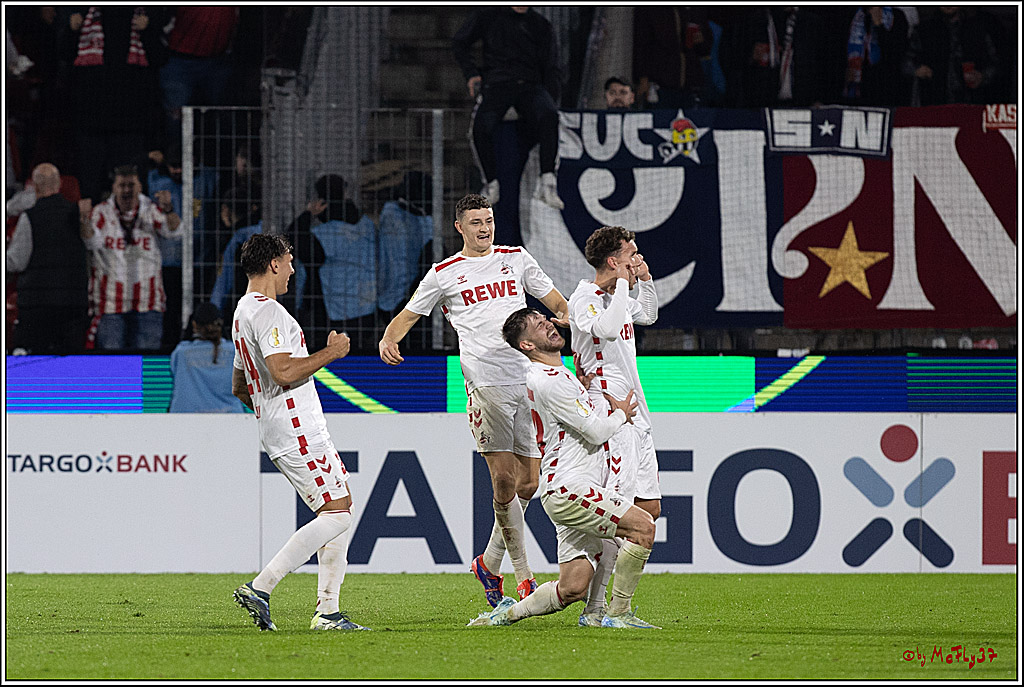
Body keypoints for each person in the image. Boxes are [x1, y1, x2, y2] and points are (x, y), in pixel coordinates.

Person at [379, 193, 569, 607]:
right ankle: (523, 577)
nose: (485, 228)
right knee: (503, 480)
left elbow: (555, 302)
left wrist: (575, 320)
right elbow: (410, 313)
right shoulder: (444, 273)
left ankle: (488, 562)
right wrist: (389, 337)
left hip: (529, 380)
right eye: (476, 222)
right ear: (459, 227)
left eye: (489, 220)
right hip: (485, 384)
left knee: (529, 483)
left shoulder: (516, 258)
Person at [467, 307, 657, 628]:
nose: (549, 326)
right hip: (571, 488)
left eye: (546, 320)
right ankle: (616, 613)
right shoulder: (549, 381)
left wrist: (582, 385)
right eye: (539, 327)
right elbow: (596, 430)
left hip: (565, 486)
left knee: (572, 587)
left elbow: (576, 416)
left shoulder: (557, 374)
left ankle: (507, 615)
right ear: (527, 345)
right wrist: (622, 414)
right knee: (642, 528)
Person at [231, 232, 369, 632]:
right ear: (274, 263)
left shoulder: (243, 312)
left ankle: (328, 611)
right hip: (297, 429)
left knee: (339, 508)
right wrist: (332, 353)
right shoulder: (270, 314)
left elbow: (240, 386)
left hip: (283, 428)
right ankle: (263, 586)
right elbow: (283, 371)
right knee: (338, 512)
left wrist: (271, 413)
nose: (293, 269)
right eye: (289, 261)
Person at [567, 225, 660, 627]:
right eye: (630, 252)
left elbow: (650, 314)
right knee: (617, 514)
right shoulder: (584, 297)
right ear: (612, 260)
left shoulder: (618, 296)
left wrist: (645, 281)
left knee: (649, 508)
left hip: (636, 413)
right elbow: (605, 329)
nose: (635, 255)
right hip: (609, 413)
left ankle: (612, 608)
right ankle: (598, 610)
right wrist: (624, 285)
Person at [452, 7, 564, 210]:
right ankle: (491, 182)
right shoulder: (488, 15)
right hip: (497, 85)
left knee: (549, 115)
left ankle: (548, 180)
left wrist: (549, 97)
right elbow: (460, 42)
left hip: (530, 86)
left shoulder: (541, 25)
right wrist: (471, 73)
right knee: (480, 127)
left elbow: (551, 67)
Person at [81, 164, 181, 350]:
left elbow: (174, 232)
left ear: (140, 187)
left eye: (131, 185)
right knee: (113, 366)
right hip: (110, 304)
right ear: (114, 188)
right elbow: (91, 242)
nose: (127, 190)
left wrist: (168, 210)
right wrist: (85, 220)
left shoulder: (150, 209)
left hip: (148, 302)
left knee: (147, 361)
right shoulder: (101, 212)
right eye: (122, 185)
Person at [5, 163, 89, 354]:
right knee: (69, 364)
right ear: (59, 184)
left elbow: (17, 261)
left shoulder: (30, 217)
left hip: (37, 307)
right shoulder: (77, 215)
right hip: (73, 305)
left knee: (31, 363)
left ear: (34, 186)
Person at [909, 6, 1009, 106]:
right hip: (934, 103)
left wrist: (982, 76)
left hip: (972, 103)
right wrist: (917, 69)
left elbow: (997, 64)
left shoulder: (977, 29)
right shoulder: (923, 30)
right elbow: (906, 61)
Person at [169, 302, 246, 412]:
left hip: (185, 420)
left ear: (194, 325)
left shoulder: (180, 353)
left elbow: (173, 372)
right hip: (230, 417)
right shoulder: (235, 351)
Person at [633, 6, 712, 109]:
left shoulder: (694, 9)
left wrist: (701, 39)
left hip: (691, 84)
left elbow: (705, 48)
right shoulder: (648, 9)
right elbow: (641, 45)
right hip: (660, 84)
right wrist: (643, 79)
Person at [840, 6, 910, 106]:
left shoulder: (897, 16)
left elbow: (897, 53)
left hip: (886, 89)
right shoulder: (854, 15)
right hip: (857, 89)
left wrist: (879, 26)